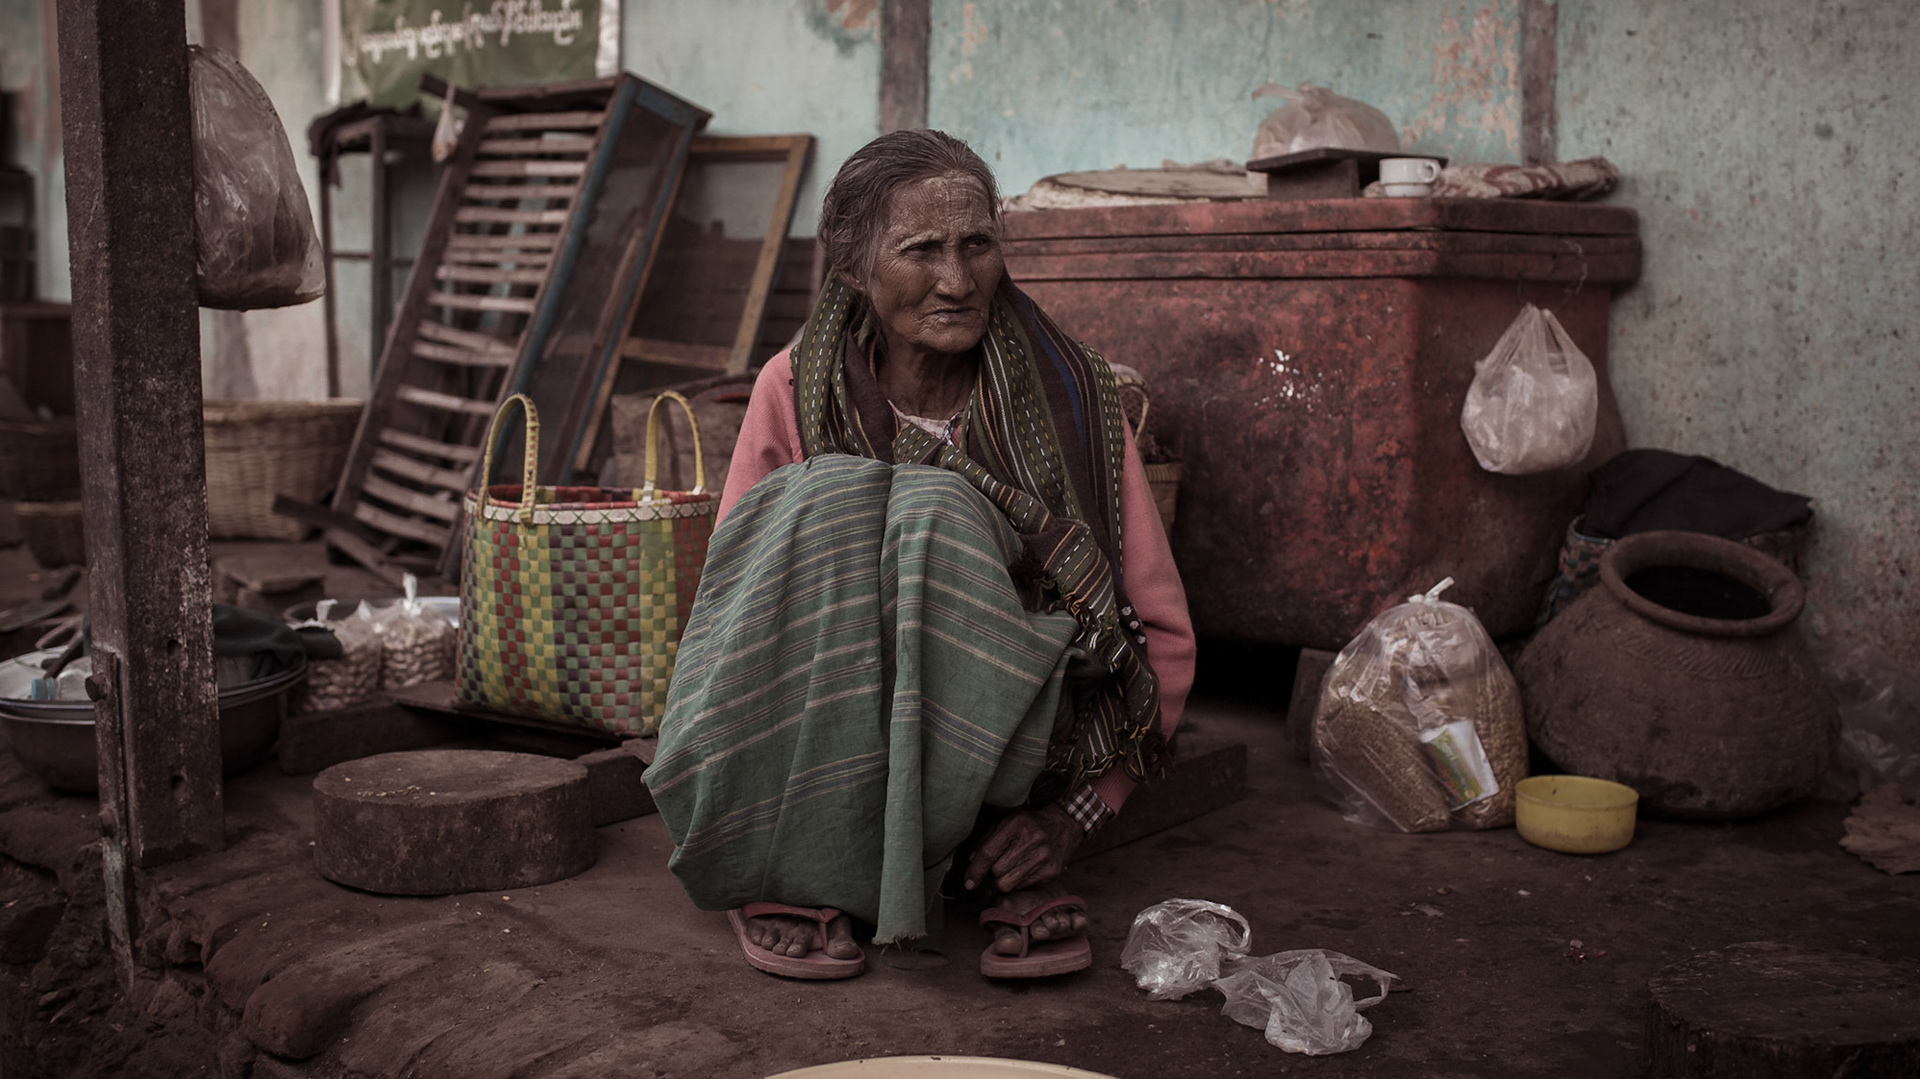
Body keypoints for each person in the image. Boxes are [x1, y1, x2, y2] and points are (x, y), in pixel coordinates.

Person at [643, 129, 1195, 980]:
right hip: (830, 734)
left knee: (936, 512)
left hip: (1008, 742)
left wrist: (1075, 817)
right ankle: (794, 852)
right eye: (921, 249)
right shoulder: (792, 387)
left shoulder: (1074, 392)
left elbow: (1156, 628)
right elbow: (739, 609)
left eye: (977, 244)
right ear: (853, 269)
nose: (958, 279)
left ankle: (982, 838)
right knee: (846, 498)